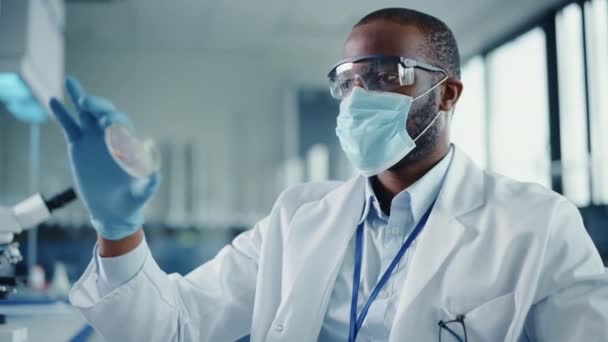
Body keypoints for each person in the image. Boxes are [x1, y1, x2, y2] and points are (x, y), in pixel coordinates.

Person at [50, 7, 608, 342]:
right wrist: (118, 227)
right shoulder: (297, 218)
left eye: (388, 75)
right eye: (349, 80)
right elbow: (173, 328)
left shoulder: (538, 226)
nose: (359, 98)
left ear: (448, 94)